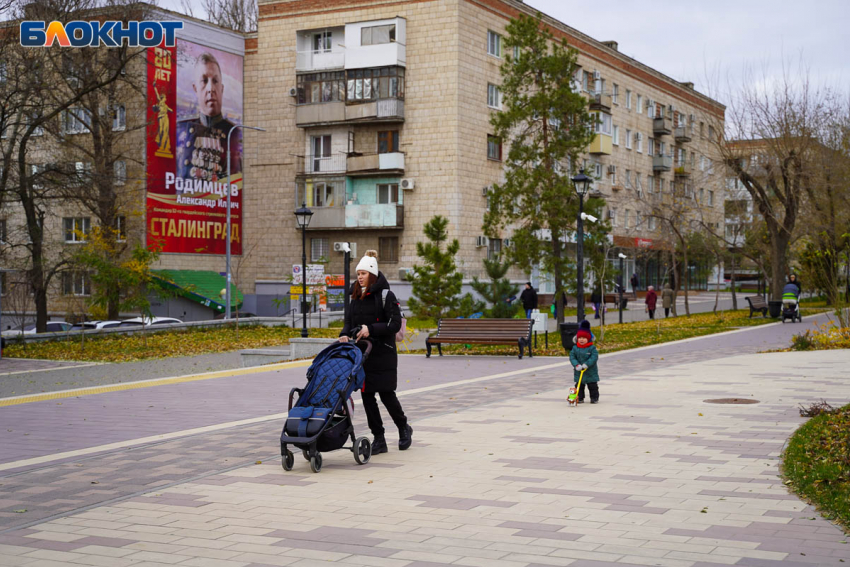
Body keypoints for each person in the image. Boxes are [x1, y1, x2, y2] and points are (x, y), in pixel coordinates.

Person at [338, 251, 412, 454]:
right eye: (358, 273)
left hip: (384, 353)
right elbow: (349, 322)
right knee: (368, 397)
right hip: (363, 355)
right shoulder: (356, 296)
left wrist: (371, 329)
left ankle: (403, 428)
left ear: (372, 274)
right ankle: (379, 438)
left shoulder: (386, 295)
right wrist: (344, 334)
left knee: (387, 395)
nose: (359, 277)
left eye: (363, 273)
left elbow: (394, 323)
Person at [176, 52, 242, 183]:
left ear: (221, 88)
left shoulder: (235, 134)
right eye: (204, 81)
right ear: (195, 88)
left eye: (215, 81)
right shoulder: (179, 129)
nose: (210, 88)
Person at [569, 328, 599, 404]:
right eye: (580, 338)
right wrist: (576, 365)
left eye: (584, 338)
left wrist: (587, 364)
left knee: (592, 386)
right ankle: (580, 397)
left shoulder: (592, 348)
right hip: (579, 371)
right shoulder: (575, 348)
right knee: (579, 385)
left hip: (590, 371)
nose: (581, 340)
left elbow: (594, 357)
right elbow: (572, 357)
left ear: (588, 339)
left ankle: (594, 397)